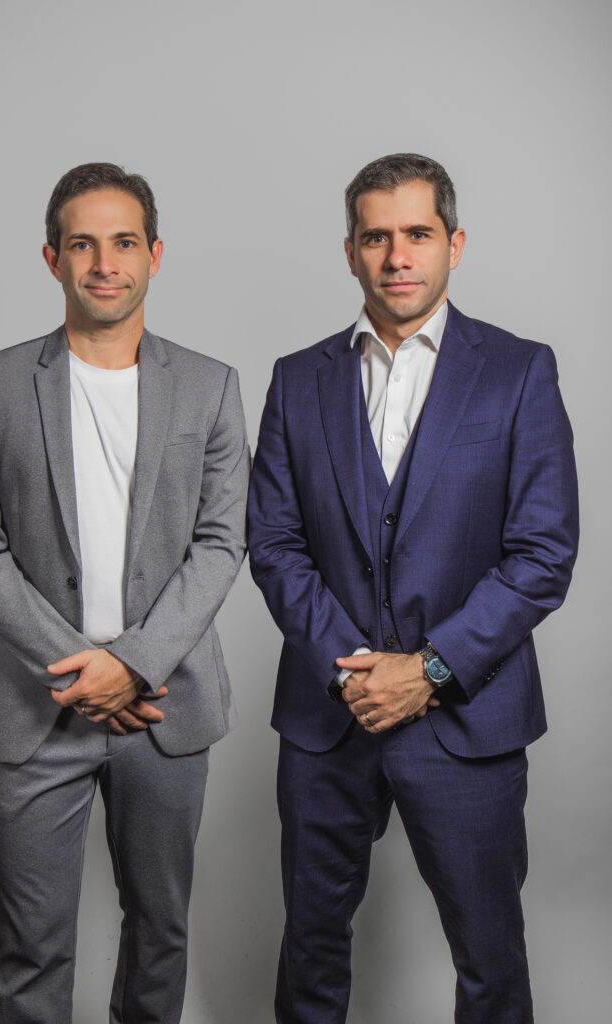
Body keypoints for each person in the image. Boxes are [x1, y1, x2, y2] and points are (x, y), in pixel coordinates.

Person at [247, 153, 578, 1023]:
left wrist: (427, 671)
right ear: (349, 251)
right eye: (376, 237)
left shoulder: (517, 371)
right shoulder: (297, 379)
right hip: (329, 717)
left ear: (453, 244)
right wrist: (354, 671)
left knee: (488, 958)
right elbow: (274, 545)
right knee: (311, 950)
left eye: (418, 234)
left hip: (466, 719)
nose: (397, 256)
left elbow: (542, 553)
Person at [0, 162, 249, 1024]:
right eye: (82, 244)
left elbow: (221, 542)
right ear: (52, 258)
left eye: (123, 243)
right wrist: (85, 671)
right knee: (29, 946)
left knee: (159, 933)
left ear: (155, 255)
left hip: (166, 704)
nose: (104, 264)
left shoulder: (212, 385)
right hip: (35, 703)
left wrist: (134, 664)